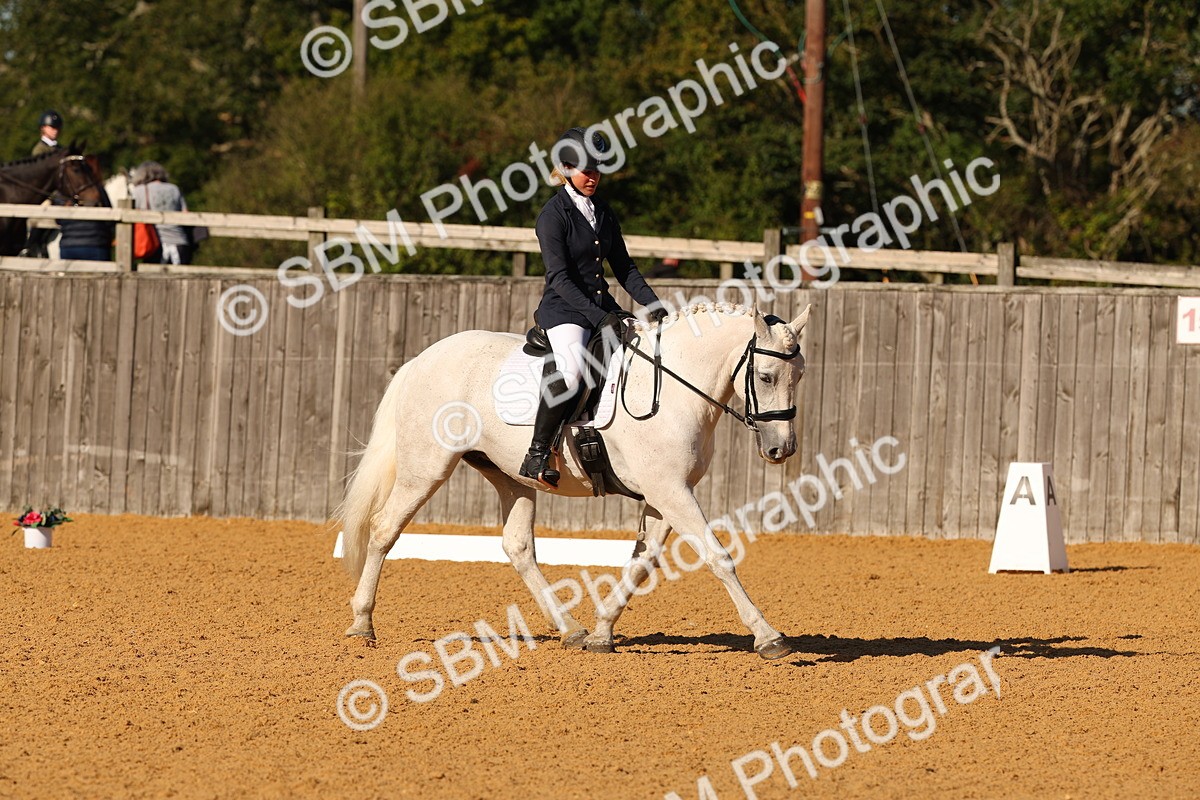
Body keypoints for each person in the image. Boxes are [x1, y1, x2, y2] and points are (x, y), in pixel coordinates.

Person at [519, 127, 670, 489]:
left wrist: (655, 307)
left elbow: (625, 268)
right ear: (566, 169)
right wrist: (599, 316)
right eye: (585, 170)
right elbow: (559, 278)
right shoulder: (553, 216)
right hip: (565, 310)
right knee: (570, 371)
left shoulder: (602, 210)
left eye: (597, 169)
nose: (593, 177)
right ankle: (538, 452)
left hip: (602, 306)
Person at [130, 160, 192, 265]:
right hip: (180, 243)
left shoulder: (139, 191)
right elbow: (186, 214)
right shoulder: (174, 189)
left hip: (153, 245)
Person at [54, 182, 114, 262]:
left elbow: (58, 220)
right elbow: (109, 217)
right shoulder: (96, 189)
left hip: (68, 245)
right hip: (95, 244)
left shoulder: (61, 192)